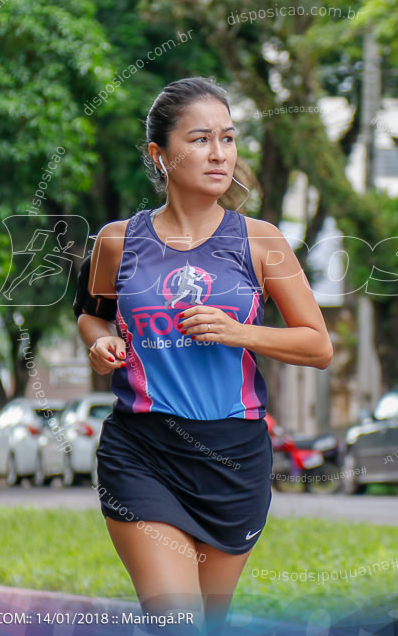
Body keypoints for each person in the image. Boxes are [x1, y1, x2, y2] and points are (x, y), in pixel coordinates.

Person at [76, 76, 332, 634]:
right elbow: (92, 312)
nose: (219, 154)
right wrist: (98, 341)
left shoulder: (261, 241)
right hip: (142, 452)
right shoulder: (118, 241)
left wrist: (239, 332)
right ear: (159, 155)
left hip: (233, 459)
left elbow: (318, 345)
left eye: (229, 138)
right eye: (199, 139)